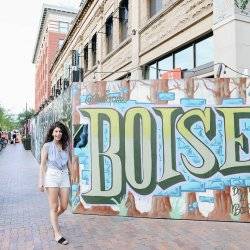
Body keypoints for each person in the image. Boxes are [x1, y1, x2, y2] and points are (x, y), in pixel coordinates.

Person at [38, 121, 72, 245]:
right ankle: (57, 234)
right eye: (56, 131)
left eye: (60, 131)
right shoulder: (47, 146)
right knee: (53, 207)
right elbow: (42, 165)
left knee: (64, 206)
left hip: (64, 176)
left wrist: (72, 176)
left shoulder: (65, 146)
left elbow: (69, 163)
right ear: (52, 133)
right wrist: (41, 181)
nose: (58, 133)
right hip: (51, 176)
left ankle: (54, 220)